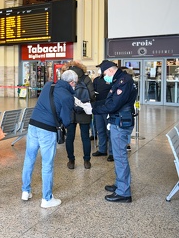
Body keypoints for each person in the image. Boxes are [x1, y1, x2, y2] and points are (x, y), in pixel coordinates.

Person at [83, 60, 138, 203]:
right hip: (117, 121)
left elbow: (113, 105)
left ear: (111, 71)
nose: (104, 77)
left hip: (120, 123)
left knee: (120, 157)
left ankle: (124, 193)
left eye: (105, 73)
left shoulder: (123, 82)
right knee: (119, 156)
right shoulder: (119, 80)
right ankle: (120, 184)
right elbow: (109, 101)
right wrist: (92, 105)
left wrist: (93, 110)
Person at [21, 70, 77, 208]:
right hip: (47, 130)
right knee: (47, 164)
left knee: (29, 159)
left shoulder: (48, 85)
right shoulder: (67, 96)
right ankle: (47, 199)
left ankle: (25, 191)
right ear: (72, 82)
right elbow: (66, 120)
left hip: (33, 125)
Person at [62, 61, 96, 169]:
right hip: (84, 111)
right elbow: (91, 95)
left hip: (70, 111)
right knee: (85, 137)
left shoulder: (66, 77)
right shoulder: (86, 79)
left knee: (70, 137)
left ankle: (71, 161)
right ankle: (87, 161)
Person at [92, 70, 114, 162]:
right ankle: (102, 149)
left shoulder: (112, 79)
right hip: (98, 108)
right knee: (100, 130)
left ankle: (112, 152)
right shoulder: (97, 80)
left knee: (109, 131)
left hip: (107, 108)